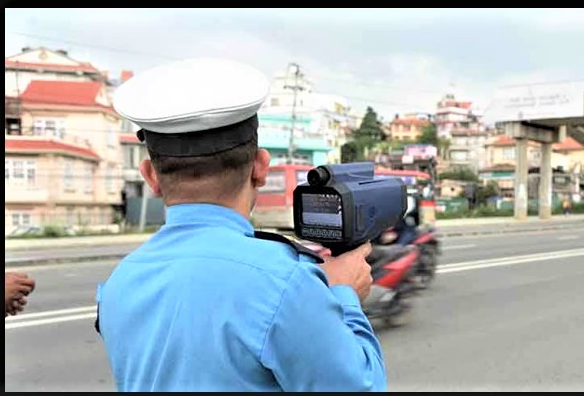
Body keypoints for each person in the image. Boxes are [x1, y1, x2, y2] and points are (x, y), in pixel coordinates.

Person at [95, 58, 386, 392]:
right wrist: (344, 296)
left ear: (150, 177)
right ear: (260, 168)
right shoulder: (285, 282)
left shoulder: (120, 282)